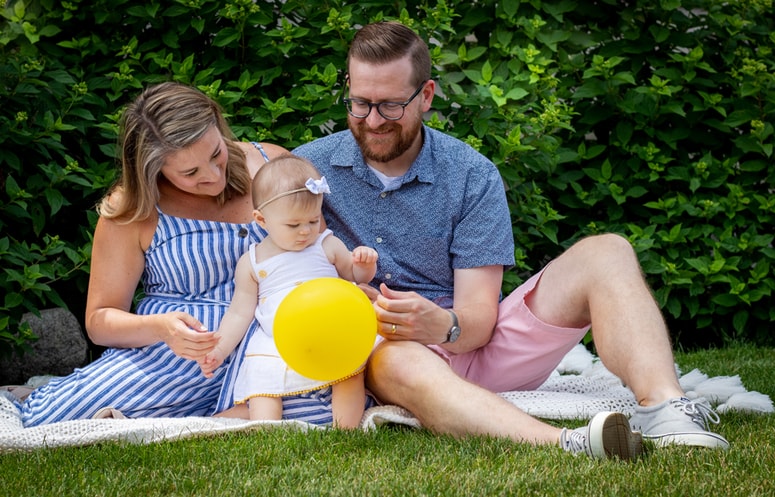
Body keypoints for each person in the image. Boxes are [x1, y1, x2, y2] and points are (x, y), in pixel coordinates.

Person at [293, 21, 729, 459]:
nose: (372, 121)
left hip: (471, 344)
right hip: (385, 357)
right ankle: (570, 443)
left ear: (425, 96)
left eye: (389, 106)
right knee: (391, 356)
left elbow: (480, 320)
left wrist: (441, 325)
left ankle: (668, 409)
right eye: (360, 103)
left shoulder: (470, 174)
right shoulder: (308, 170)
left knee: (608, 250)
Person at [4, 82, 340, 427]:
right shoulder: (133, 208)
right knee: (55, 416)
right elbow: (100, 320)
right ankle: (209, 416)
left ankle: (215, 418)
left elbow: (320, 248)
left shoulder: (272, 166)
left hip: (276, 343)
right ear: (153, 169)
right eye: (190, 173)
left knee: (325, 409)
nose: (212, 176)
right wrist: (161, 329)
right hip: (177, 362)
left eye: (215, 153)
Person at [199, 154, 378, 428]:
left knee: (348, 373)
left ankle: (347, 431)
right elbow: (239, 312)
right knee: (262, 384)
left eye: (313, 220)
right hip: (277, 339)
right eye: (293, 225)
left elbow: (353, 277)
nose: (305, 231)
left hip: (331, 330)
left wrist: (365, 264)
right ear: (261, 220)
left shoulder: (325, 245)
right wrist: (220, 349)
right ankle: (265, 431)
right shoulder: (253, 261)